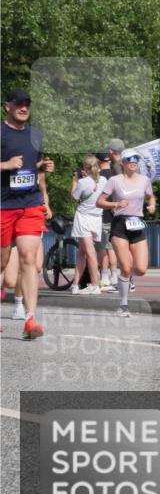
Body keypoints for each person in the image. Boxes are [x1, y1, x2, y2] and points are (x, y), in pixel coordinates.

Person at [1, 88, 54, 339]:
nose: (24, 108)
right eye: (19, 103)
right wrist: (6, 165)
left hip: (31, 204)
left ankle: (30, 319)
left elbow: (33, 166)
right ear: (7, 106)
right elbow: (12, 165)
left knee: (29, 258)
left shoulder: (35, 135)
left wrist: (43, 166)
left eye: (27, 104)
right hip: (3, 205)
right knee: (2, 264)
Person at [96, 150, 156, 317]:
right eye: (129, 159)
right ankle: (123, 305)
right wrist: (115, 204)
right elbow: (99, 202)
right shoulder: (114, 181)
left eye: (136, 159)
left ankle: (126, 280)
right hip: (120, 225)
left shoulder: (144, 180)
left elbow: (151, 196)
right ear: (122, 163)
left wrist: (152, 205)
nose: (133, 162)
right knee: (126, 267)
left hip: (137, 224)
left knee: (141, 269)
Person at [70, 155, 106, 294]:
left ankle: (94, 284)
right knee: (82, 252)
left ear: (85, 167)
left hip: (84, 218)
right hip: (97, 218)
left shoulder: (82, 182)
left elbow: (74, 197)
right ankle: (75, 284)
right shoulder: (104, 180)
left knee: (89, 252)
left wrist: (75, 181)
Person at [95, 148, 119, 292]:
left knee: (102, 248)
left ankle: (104, 277)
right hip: (115, 215)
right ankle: (115, 276)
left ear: (98, 161)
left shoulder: (97, 177)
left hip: (101, 215)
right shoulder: (117, 176)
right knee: (112, 248)